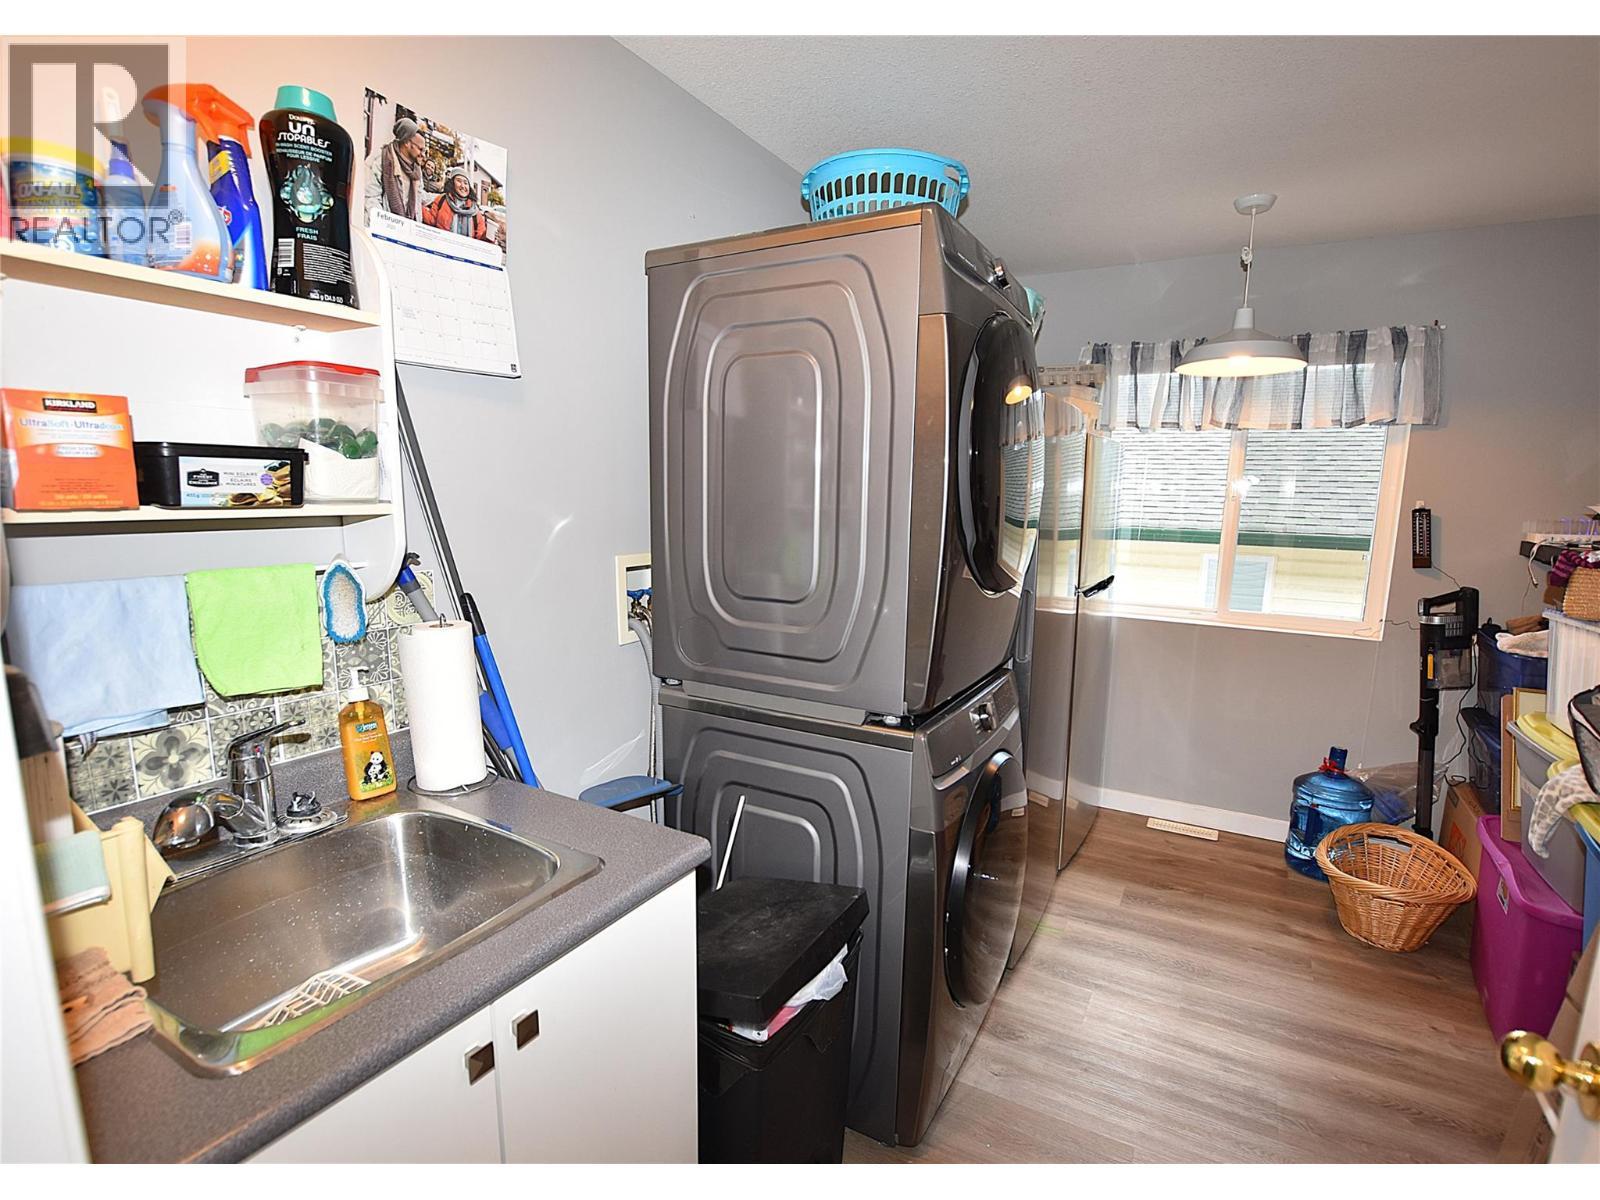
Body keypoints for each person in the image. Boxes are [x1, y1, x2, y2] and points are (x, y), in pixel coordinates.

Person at [363, 116, 426, 222]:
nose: (423, 155)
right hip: (384, 229)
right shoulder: (379, 160)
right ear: (406, 142)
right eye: (420, 149)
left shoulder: (416, 169)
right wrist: (387, 226)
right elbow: (370, 198)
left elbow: (420, 196)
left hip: (408, 229)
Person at [422, 167, 493, 242]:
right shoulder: (441, 200)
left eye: (466, 183)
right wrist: (417, 205)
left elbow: (480, 237)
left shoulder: (475, 211)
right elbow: (431, 220)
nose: (463, 186)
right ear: (452, 183)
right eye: (459, 181)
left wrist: (489, 235)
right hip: (442, 246)